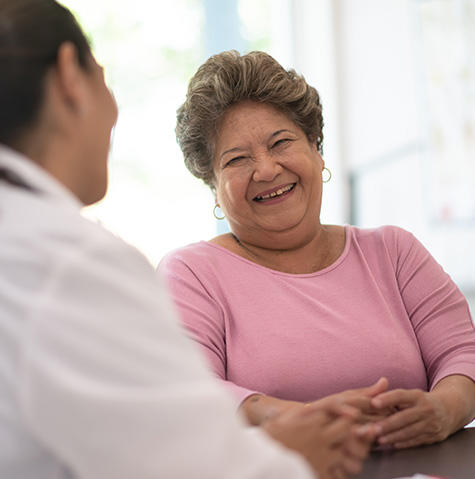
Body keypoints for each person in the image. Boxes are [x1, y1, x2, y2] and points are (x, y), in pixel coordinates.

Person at [0, 1, 377, 478]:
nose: (114, 113)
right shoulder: (65, 262)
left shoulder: (391, 249)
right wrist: (286, 451)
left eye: (281, 143)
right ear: (70, 78)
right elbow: (182, 464)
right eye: (103, 76)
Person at [159, 49, 475, 450]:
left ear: (316, 149)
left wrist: (445, 409)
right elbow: (186, 392)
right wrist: (294, 420)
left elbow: (463, 352)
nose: (267, 169)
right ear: (214, 186)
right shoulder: (191, 273)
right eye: (237, 159)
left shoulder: (394, 252)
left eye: (281, 143)